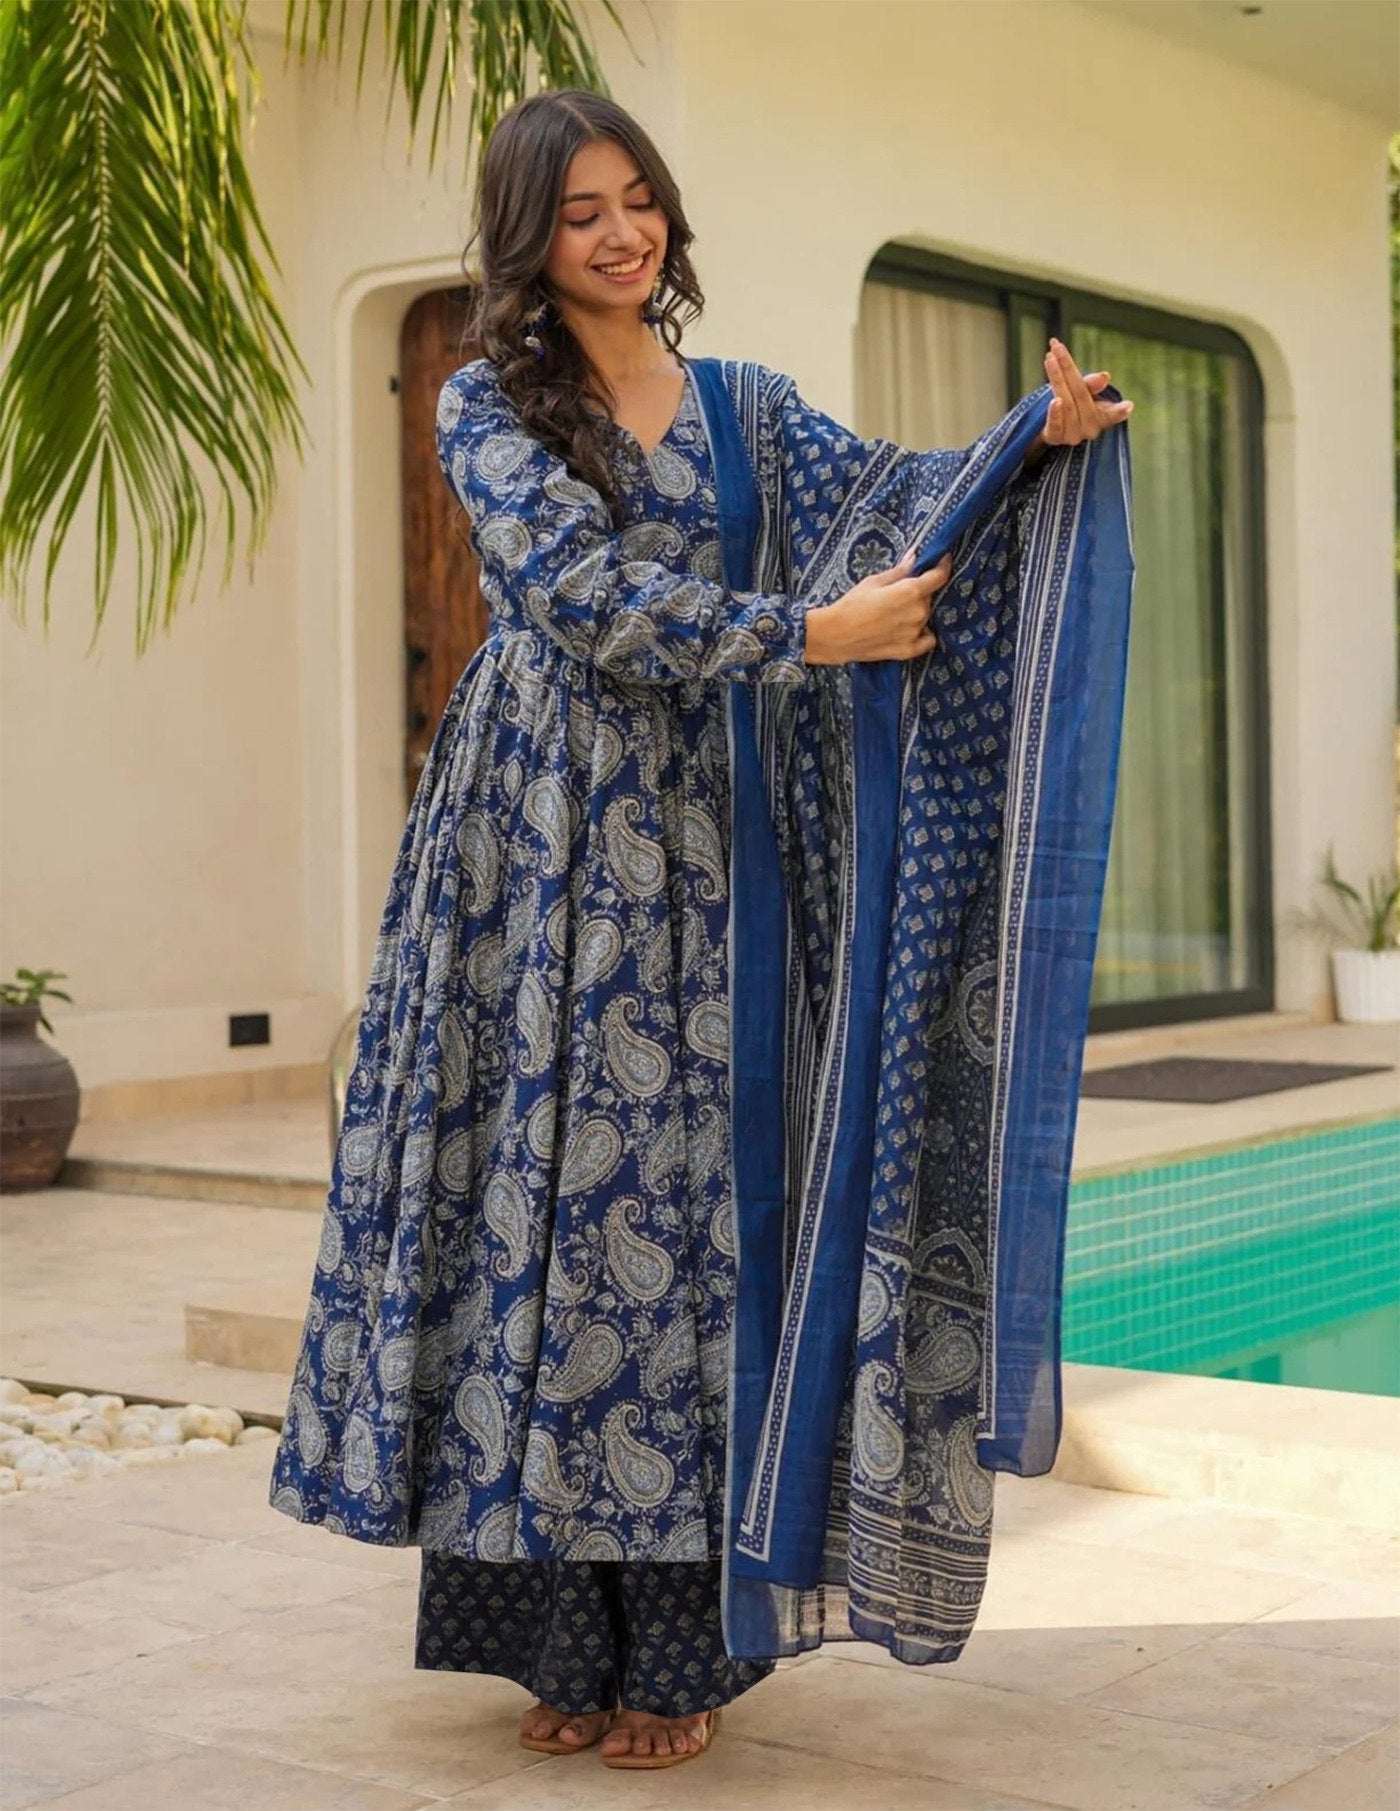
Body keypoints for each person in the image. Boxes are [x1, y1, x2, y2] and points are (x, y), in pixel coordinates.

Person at [268, 87, 1134, 1770]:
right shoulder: (485, 402)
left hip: (721, 864)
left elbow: (892, 509)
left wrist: (1030, 453)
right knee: (546, 1221)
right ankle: (549, 1641)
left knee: (686, 1234)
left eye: (639, 200)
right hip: (534, 872)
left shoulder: (747, 408)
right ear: (531, 237)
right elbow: (574, 596)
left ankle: (679, 1655)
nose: (620, 232)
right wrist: (809, 634)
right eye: (581, 210)